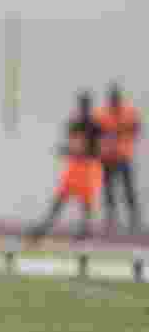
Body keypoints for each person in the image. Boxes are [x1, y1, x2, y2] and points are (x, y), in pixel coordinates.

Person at [27, 90, 104, 242]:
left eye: (85, 104)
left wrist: (79, 152)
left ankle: (85, 231)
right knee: (60, 198)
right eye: (81, 104)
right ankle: (43, 229)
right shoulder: (73, 124)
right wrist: (66, 151)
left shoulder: (95, 126)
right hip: (75, 166)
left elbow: (96, 150)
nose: (83, 107)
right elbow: (73, 145)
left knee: (85, 202)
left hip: (88, 166)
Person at [94, 83, 142, 236]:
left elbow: (137, 128)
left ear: (119, 98)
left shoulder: (129, 112)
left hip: (123, 156)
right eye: (112, 98)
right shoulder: (101, 114)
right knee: (109, 190)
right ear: (109, 99)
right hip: (107, 157)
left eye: (116, 98)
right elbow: (94, 132)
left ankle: (134, 220)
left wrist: (123, 132)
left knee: (128, 189)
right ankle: (111, 220)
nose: (114, 100)